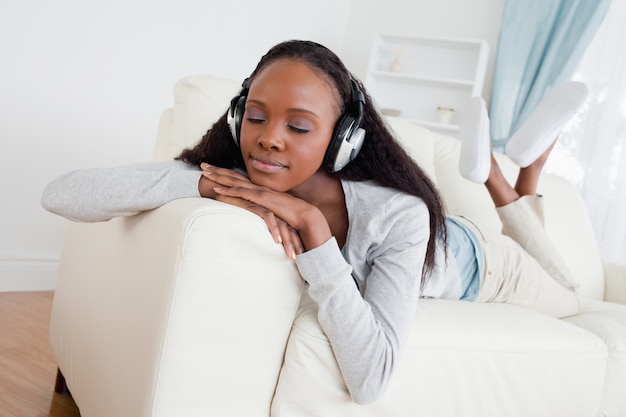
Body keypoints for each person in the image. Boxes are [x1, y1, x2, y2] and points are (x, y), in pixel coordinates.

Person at [41, 40, 588, 405]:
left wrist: (316, 236)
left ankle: (507, 178)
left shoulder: (398, 213)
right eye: (255, 116)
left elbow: (371, 380)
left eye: (298, 126)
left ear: (341, 138)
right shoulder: (230, 174)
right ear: (238, 116)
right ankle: (515, 177)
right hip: (450, 237)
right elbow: (61, 194)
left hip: (487, 267)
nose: (269, 137)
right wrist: (202, 182)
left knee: (573, 296)